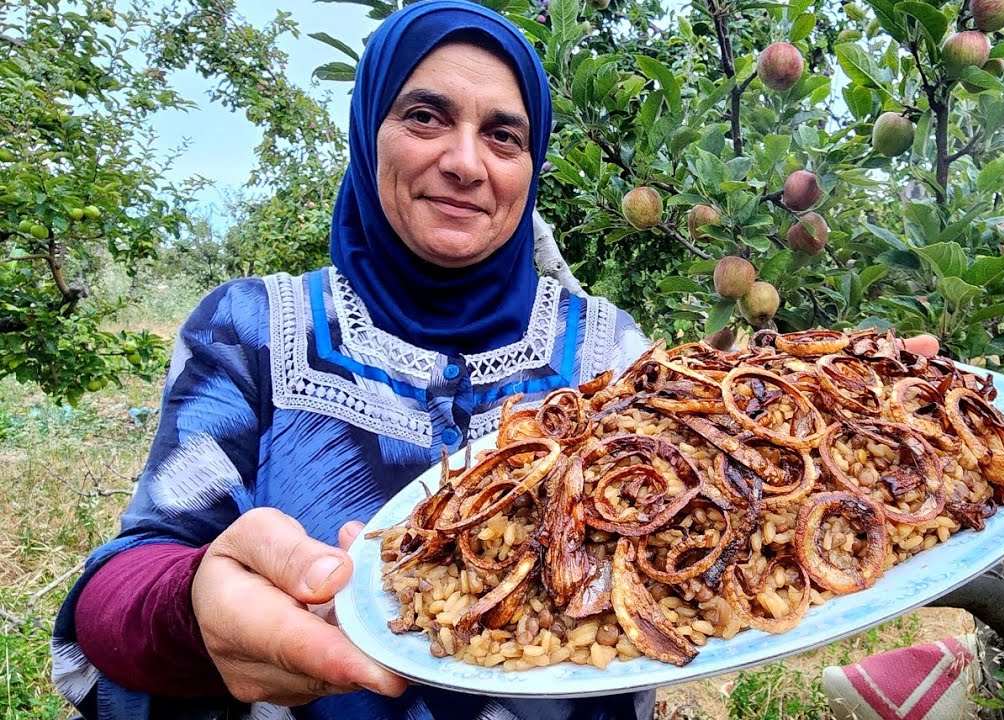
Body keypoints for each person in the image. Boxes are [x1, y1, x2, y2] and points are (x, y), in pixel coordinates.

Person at [51, 3, 653, 719]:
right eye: (425, 117)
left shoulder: (609, 354)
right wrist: (191, 611)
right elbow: (120, 589)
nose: (464, 162)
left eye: (503, 135)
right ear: (368, 134)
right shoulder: (251, 330)